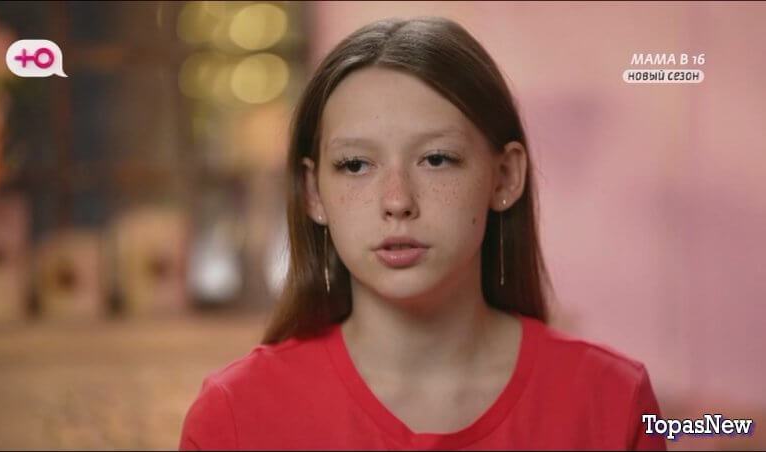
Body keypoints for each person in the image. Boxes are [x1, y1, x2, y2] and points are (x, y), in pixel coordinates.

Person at [179, 16, 667, 450]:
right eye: (355, 165)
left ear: (505, 177)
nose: (397, 201)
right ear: (313, 193)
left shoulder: (612, 400)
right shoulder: (235, 416)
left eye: (436, 159)